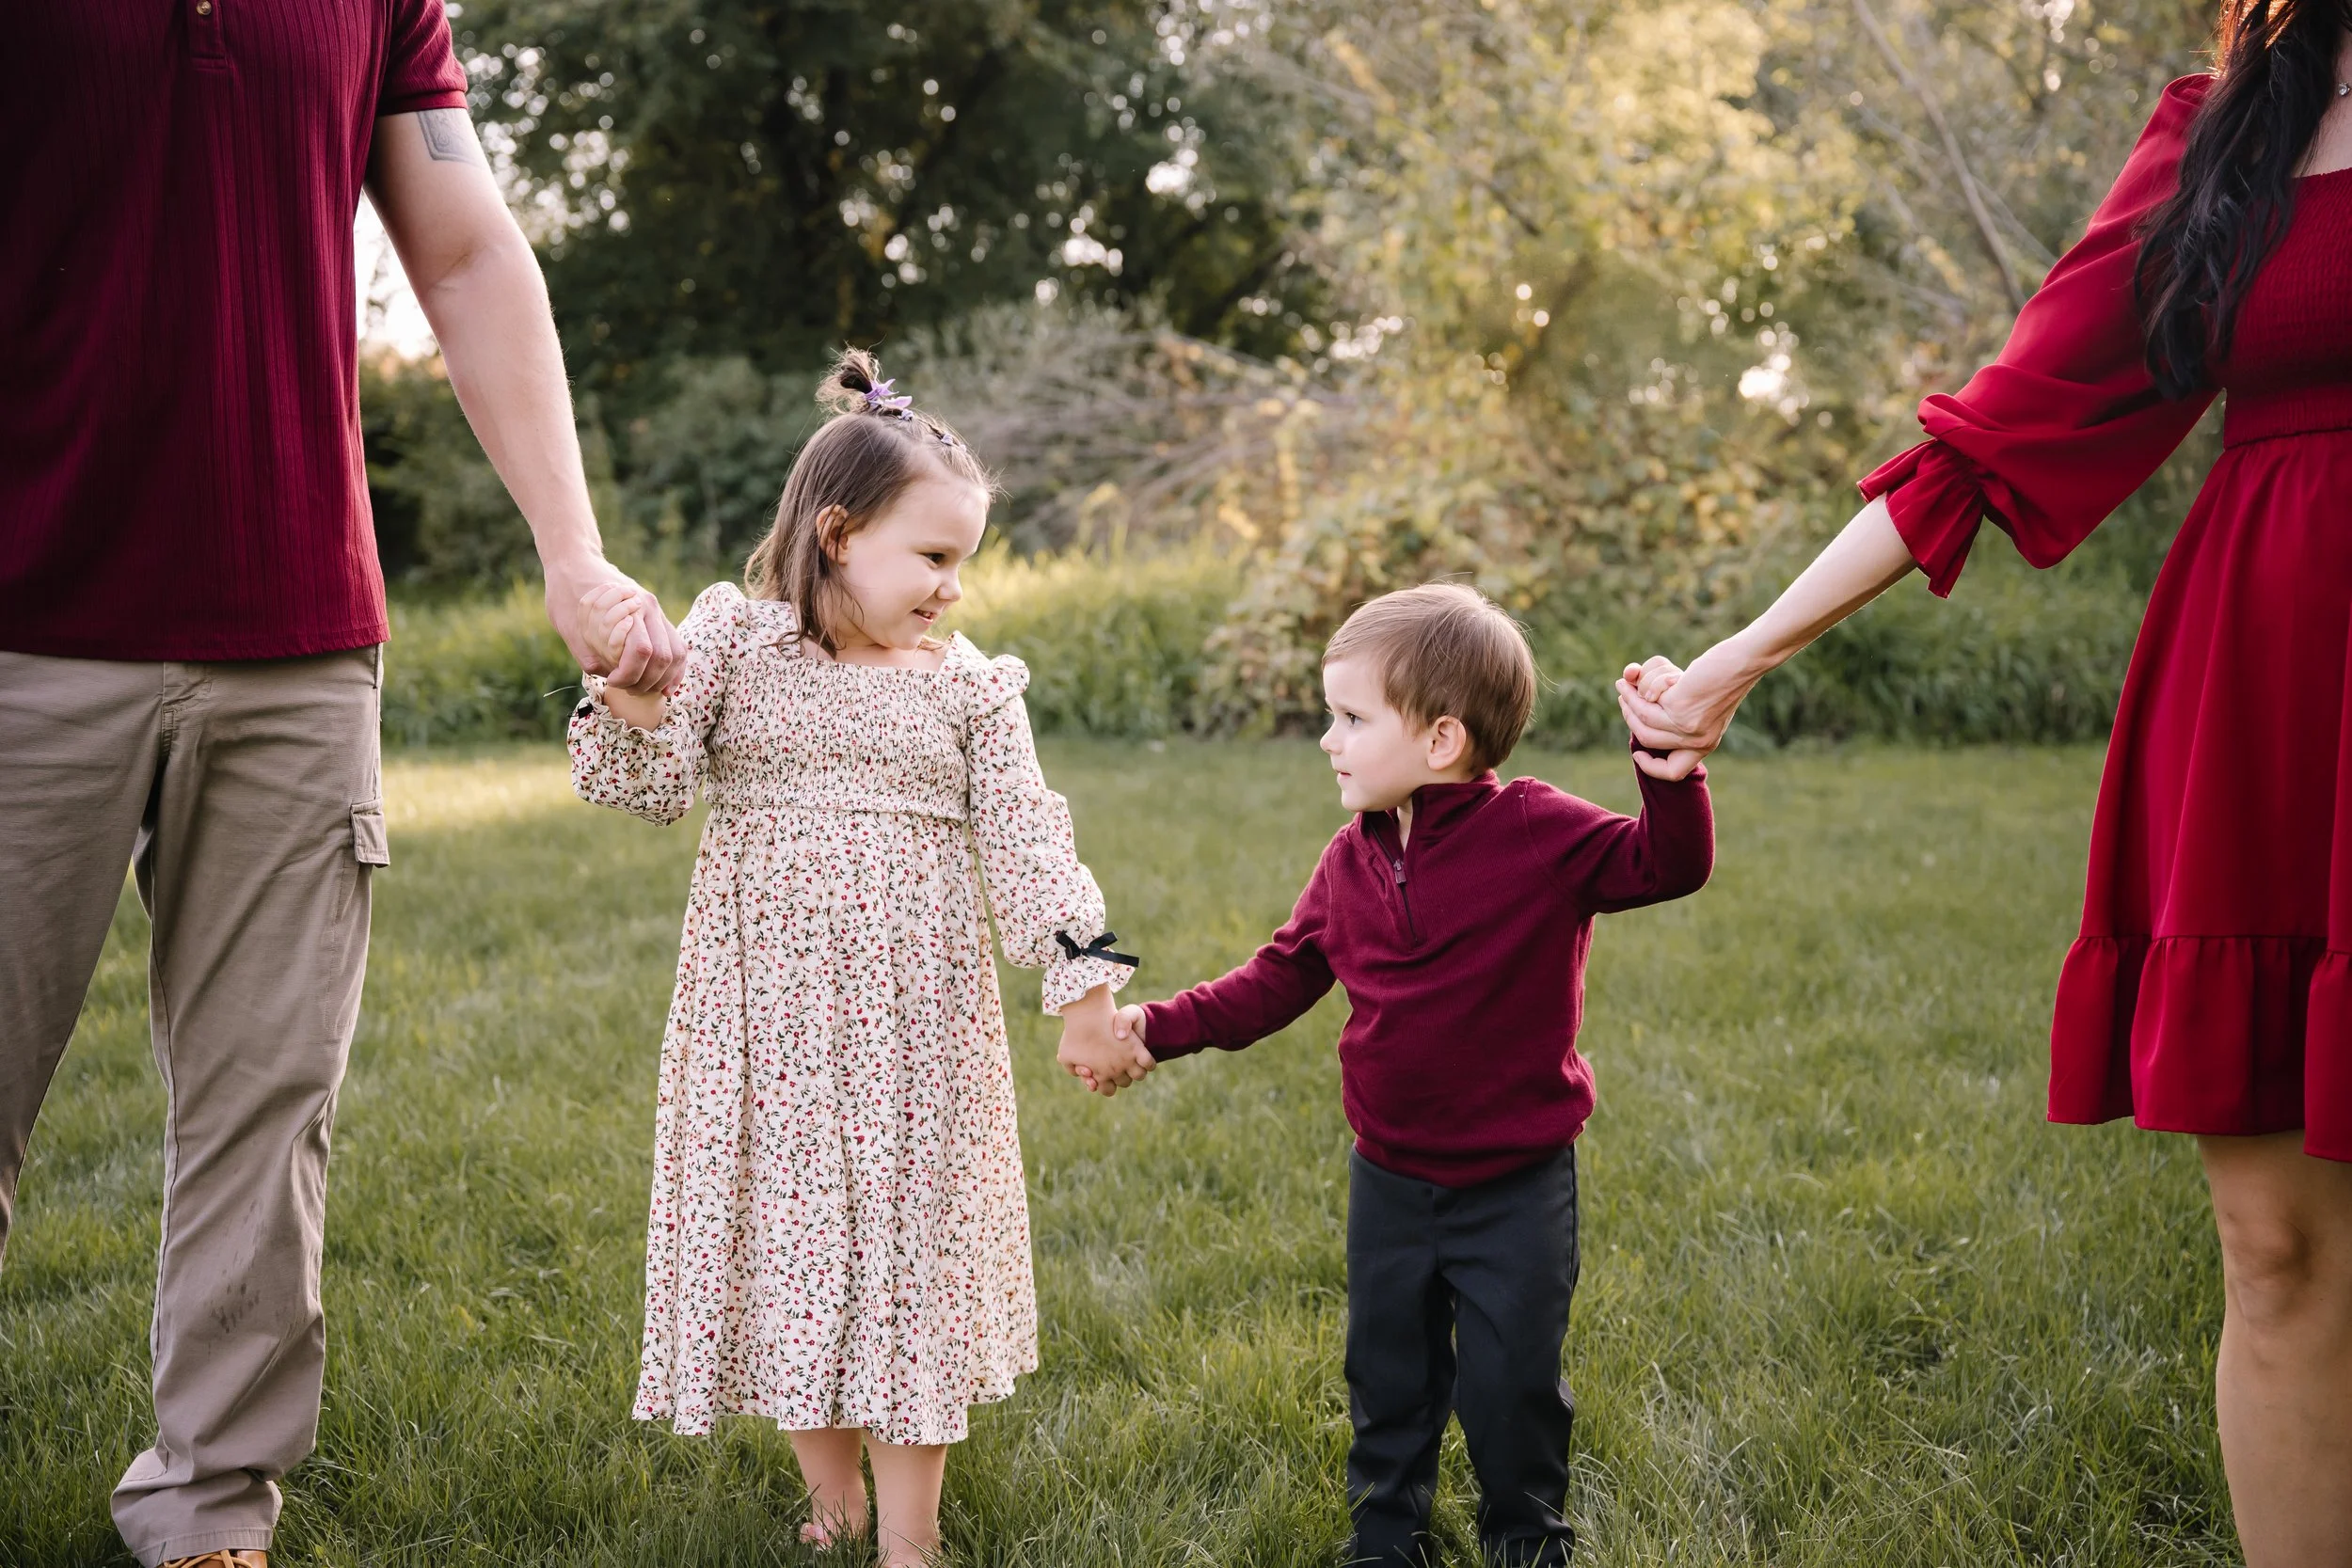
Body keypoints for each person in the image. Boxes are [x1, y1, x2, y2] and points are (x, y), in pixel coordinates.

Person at [1617, 9, 2352, 1562]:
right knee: (2278, 1248)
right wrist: (1744, 652)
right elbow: (2002, 427)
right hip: (2280, 720)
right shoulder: (2233, 131)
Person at [0, 7, 683, 1566]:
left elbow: (460, 250)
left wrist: (573, 555)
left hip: (296, 636)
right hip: (22, 629)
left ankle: (210, 1512)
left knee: (267, 1108)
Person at [567, 350, 1147, 1567]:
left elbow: (1035, 839)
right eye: (934, 557)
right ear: (837, 533)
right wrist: (632, 696)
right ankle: (830, 1502)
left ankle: (911, 1535)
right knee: (796, 1250)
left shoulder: (972, 689)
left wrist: (1088, 986)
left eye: (963, 563)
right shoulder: (738, 645)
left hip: (917, 1033)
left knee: (911, 1262)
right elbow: (654, 783)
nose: (951, 588)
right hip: (764, 1029)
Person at [1100, 584, 1713, 1567]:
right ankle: (1386, 1537)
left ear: (1438, 739)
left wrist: (1668, 770)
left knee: (1511, 1379)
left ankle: (1525, 1536)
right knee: (1388, 1373)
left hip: (1516, 1180)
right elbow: (1278, 976)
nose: (1327, 740)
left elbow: (1663, 864)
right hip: (1387, 1176)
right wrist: (1152, 1029)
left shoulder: (1534, 829)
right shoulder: (1348, 859)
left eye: (1349, 718)